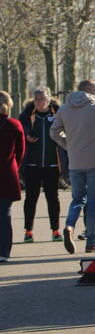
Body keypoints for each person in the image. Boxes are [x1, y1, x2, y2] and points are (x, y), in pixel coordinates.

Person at [50, 80, 95, 254]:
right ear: (91, 92)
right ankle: (92, 241)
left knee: (77, 199)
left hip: (75, 161)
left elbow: (53, 131)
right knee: (94, 203)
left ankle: (69, 225)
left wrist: (68, 145)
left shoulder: (65, 108)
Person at [18, 87, 63, 243]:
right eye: (36, 98)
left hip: (52, 164)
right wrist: (26, 136)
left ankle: (56, 230)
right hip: (32, 164)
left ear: (49, 98)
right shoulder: (26, 115)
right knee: (31, 198)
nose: (39, 101)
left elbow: (67, 131)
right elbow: (19, 131)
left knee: (53, 198)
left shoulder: (58, 114)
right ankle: (28, 231)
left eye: (42, 98)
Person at [0, 91, 26, 263]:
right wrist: (13, 167)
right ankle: (3, 252)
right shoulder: (14, 124)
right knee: (4, 214)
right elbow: (20, 152)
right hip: (6, 175)